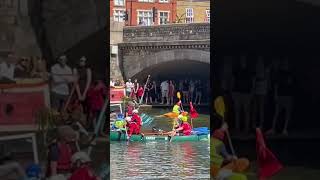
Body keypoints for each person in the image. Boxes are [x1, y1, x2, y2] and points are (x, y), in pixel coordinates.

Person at [267, 59, 293, 136]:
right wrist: (276, 95)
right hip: (280, 95)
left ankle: (285, 129)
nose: (286, 65)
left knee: (287, 113)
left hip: (288, 96)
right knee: (276, 113)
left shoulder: (290, 73)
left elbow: (291, 84)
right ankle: (273, 129)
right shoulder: (279, 73)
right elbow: (276, 85)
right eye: (284, 63)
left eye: (287, 63)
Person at [232, 56, 254, 133]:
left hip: (247, 93)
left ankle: (246, 128)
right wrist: (233, 92)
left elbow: (252, 81)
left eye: (244, 60)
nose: (243, 61)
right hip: (237, 93)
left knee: (246, 111)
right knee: (237, 111)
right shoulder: (236, 69)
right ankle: (237, 128)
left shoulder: (249, 70)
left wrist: (252, 92)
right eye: (242, 59)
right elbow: (233, 80)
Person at [252, 57, 270, 130]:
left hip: (263, 91)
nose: (260, 62)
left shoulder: (266, 69)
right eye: (258, 61)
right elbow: (254, 79)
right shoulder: (255, 69)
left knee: (261, 109)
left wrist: (267, 89)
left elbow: (267, 79)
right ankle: (253, 124)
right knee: (255, 109)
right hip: (255, 91)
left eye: (261, 61)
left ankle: (261, 125)